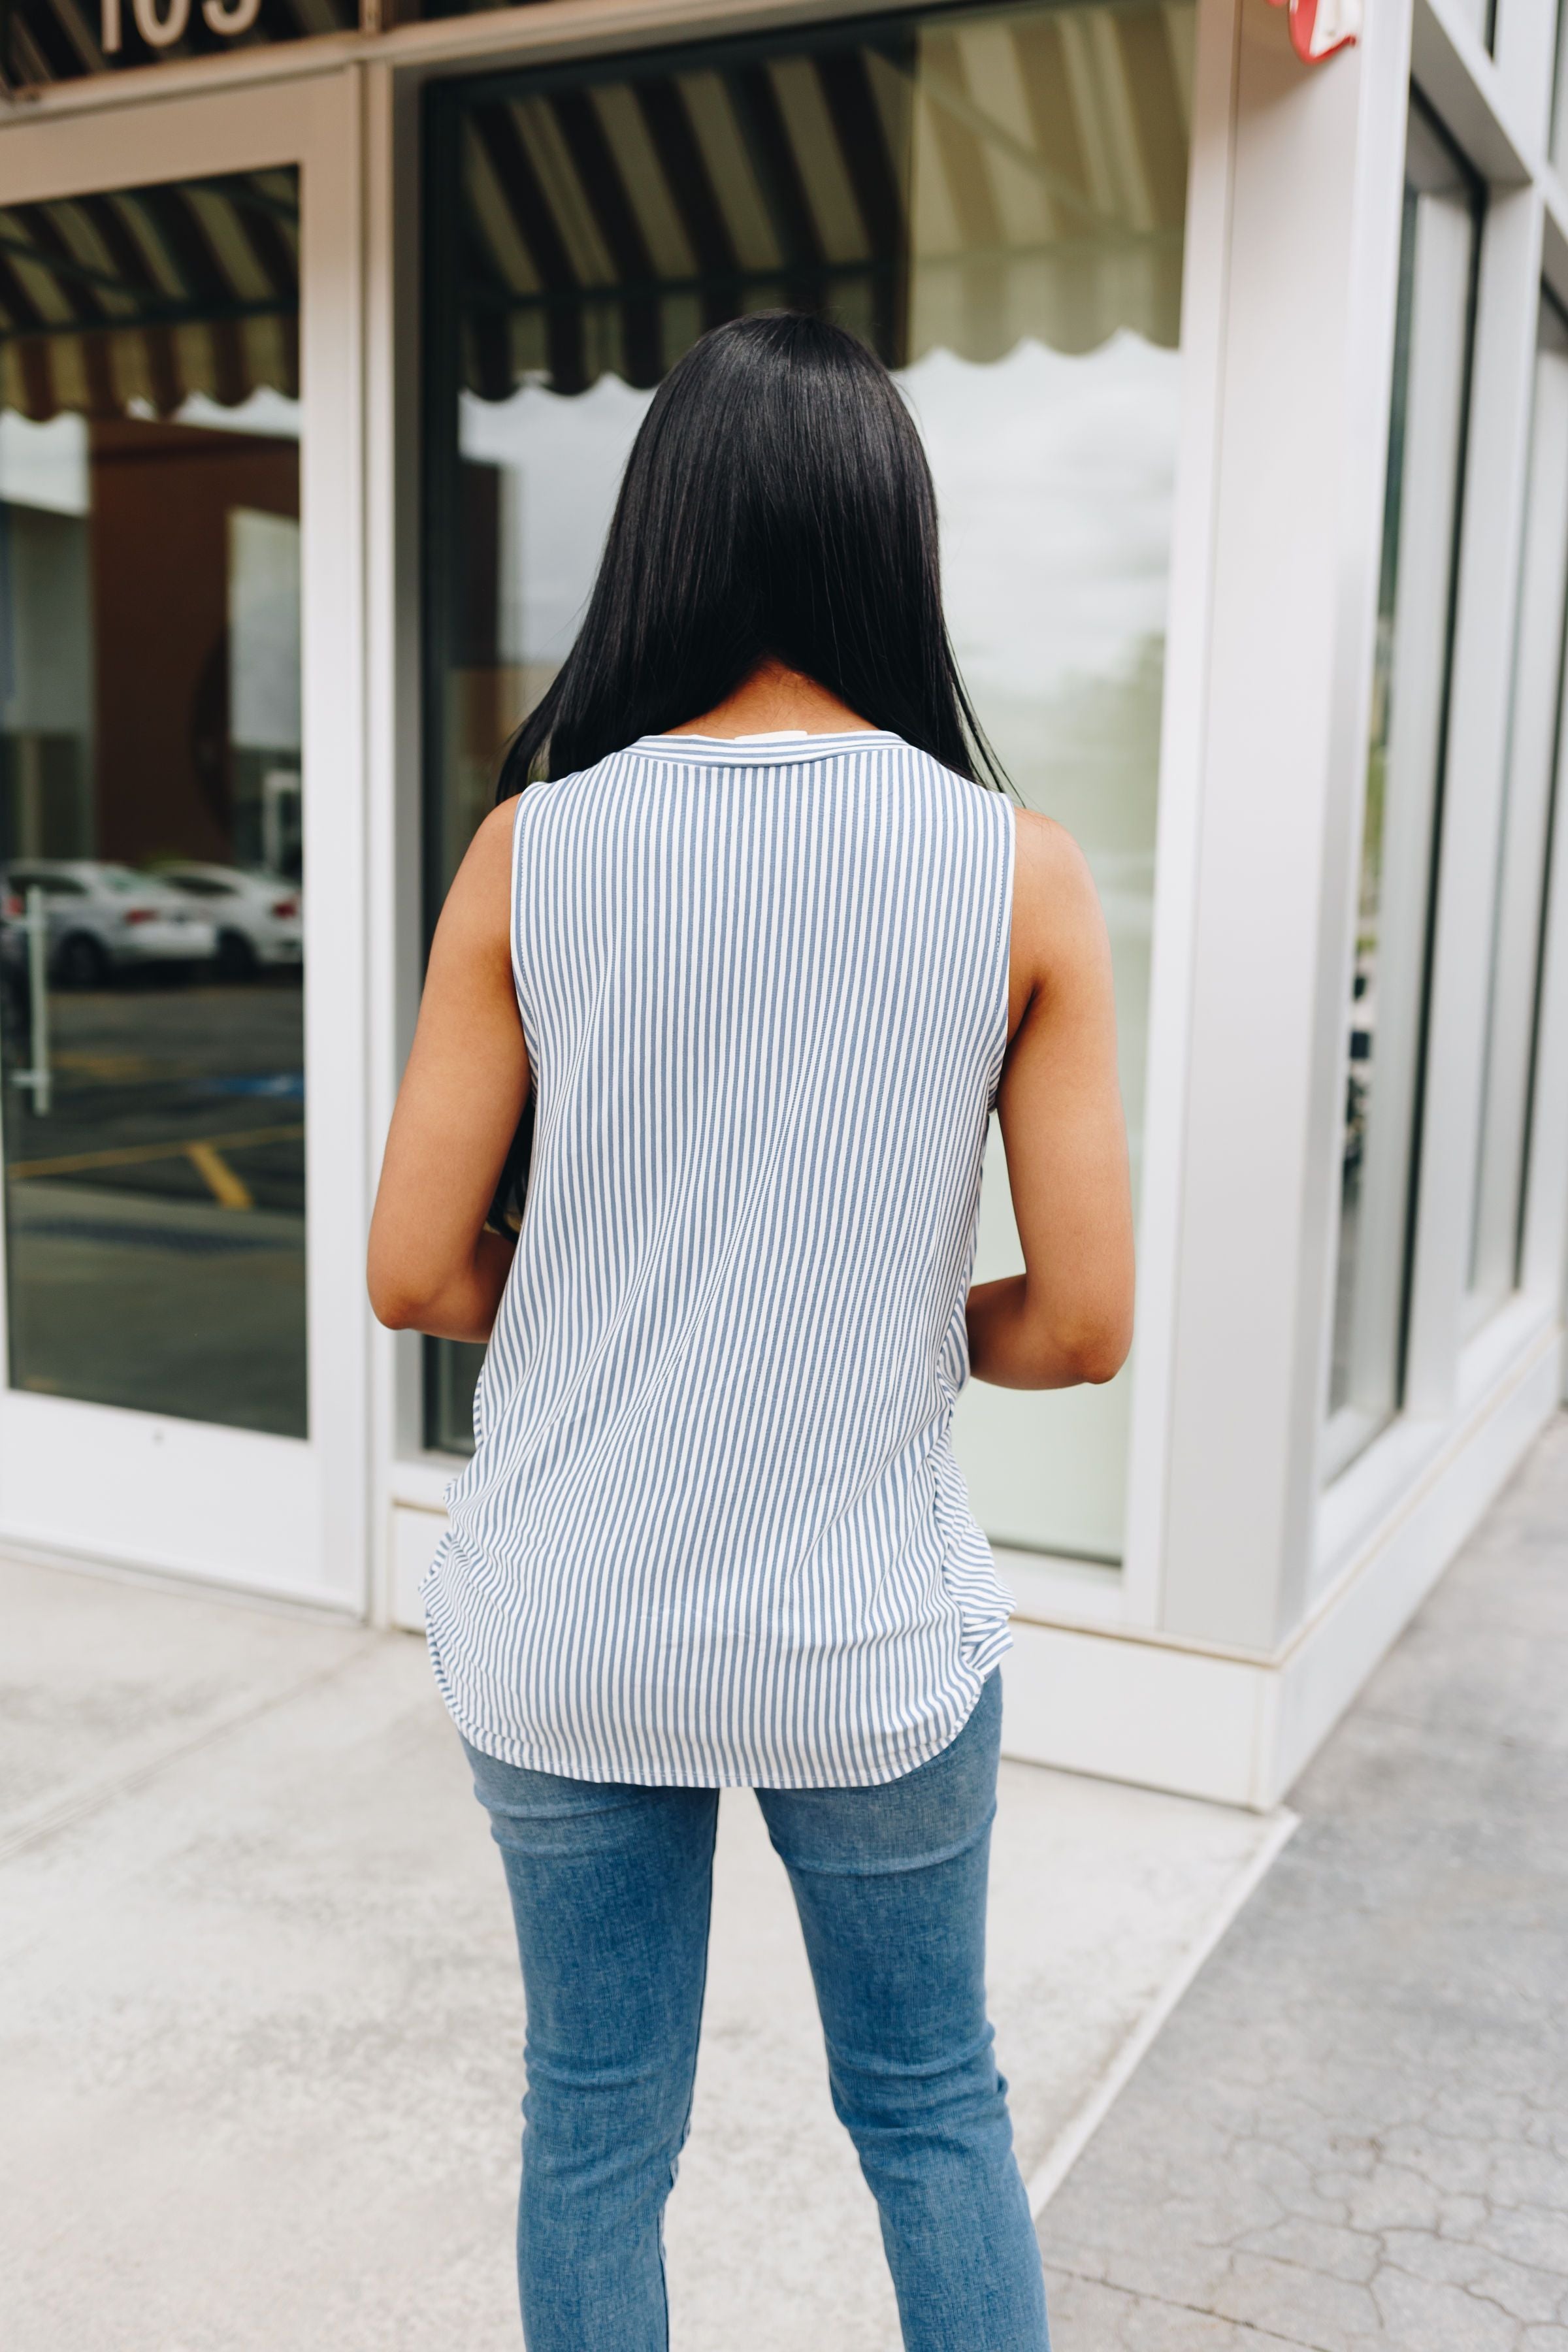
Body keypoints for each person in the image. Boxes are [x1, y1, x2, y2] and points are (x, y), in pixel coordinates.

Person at [368, 310, 1134, 2352]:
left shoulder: (533, 851)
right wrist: (877, 1312)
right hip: (867, 1641)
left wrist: (634, 1296)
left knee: (595, 2135)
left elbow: (417, 1274)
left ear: (665, 540)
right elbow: (1081, 1327)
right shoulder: (1020, 875)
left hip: (567, 1625)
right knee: (933, 2113)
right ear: (897, 547)